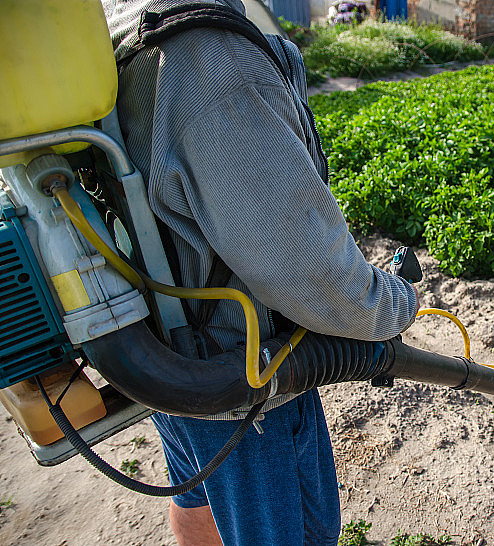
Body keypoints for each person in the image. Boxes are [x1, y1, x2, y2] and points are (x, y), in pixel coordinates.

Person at [102, 1, 419, 544]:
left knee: (197, 496)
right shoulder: (205, 53)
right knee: (299, 531)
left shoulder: (126, 19)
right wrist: (394, 300)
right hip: (243, 381)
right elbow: (316, 274)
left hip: (166, 359)